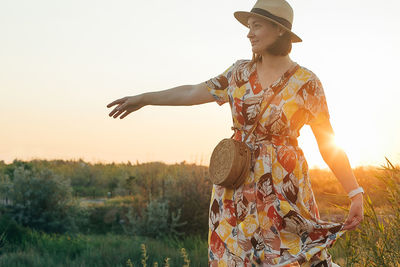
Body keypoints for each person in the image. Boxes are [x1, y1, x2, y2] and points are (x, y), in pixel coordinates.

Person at [106, 0, 364, 266]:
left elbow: (328, 143)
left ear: (278, 30)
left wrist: (355, 192)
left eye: (257, 26)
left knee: (291, 258)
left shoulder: (306, 82)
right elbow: (192, 92)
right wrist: (145, 98)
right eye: (249, 26)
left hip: (283, 190)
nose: (249, 33)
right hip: (234, 186)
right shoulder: (238, 73)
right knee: (233, 257)